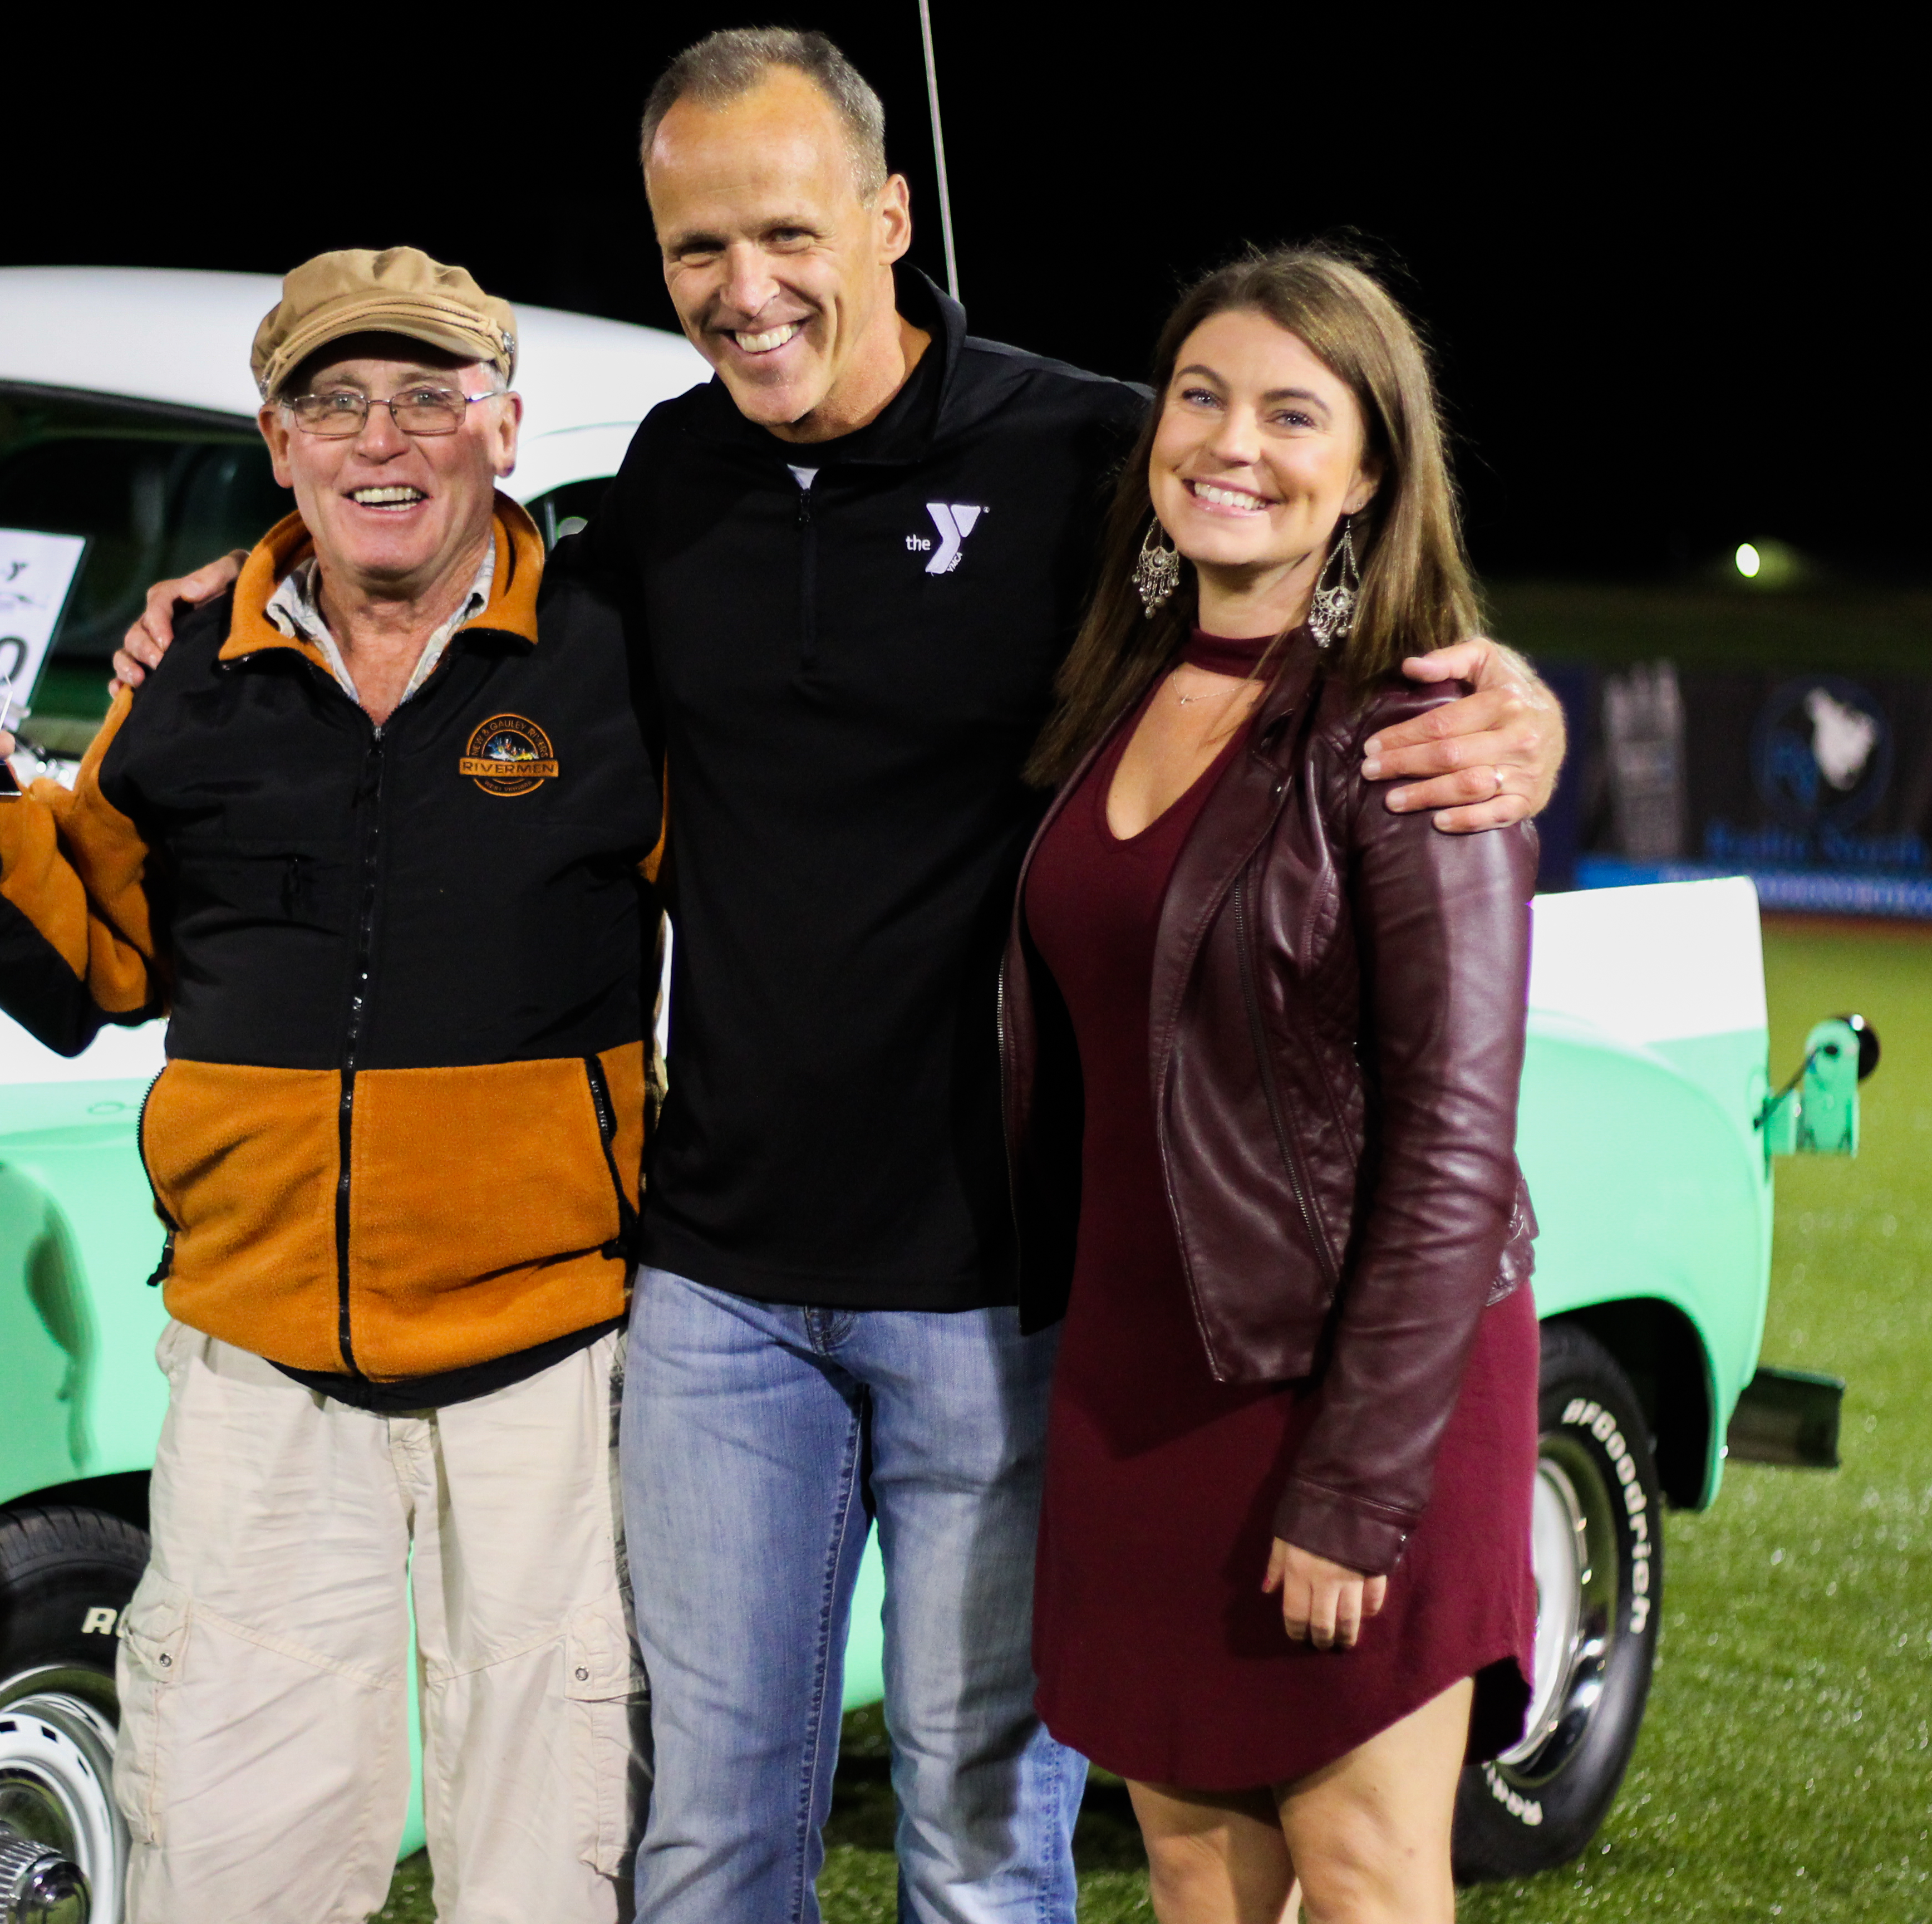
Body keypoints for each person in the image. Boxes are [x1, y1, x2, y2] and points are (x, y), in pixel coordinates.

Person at [114, 32, 1566, 1923]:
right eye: (694, 247)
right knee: (704, 1844)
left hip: (1005, 1292)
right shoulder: (672, 477)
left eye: (785, 230)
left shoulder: (1078, 453)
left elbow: (1294, 532)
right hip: (717, 1286)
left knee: (980, 1846)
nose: (744, 287)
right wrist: (230, 587)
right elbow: (453, 561)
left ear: (888, 217)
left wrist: (1512, 700)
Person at [0, 247, 661, 1924]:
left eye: (430, 399)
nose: (387, 439)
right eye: (337, 401)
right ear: (276, 441)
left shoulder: (614, 660)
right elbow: (99, 969)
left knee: (555, 1862)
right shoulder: (190, 678)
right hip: (259, 1365)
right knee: (227, 1856)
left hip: (554, 1367)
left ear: (502, 429)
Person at [1006, 245, 1538, 1924]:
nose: (1234, 444)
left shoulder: (1415, 734)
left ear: (1371, 470)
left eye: (1294, 414)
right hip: (1137, 1384)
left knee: (1367, 1873)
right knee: (1187, 1866)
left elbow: (1456, 1153)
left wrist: (1358, 1485)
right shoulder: (1108, 688)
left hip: (1350, 1393)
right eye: (1202, 398)